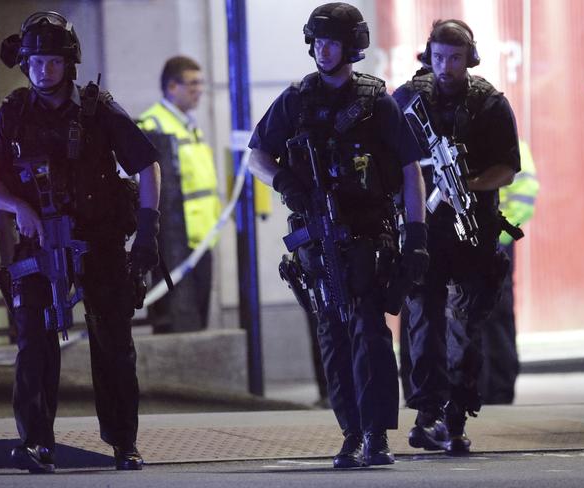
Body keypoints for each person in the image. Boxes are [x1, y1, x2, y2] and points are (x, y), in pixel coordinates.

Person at [0, 11, 161, 473]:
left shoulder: (98, 109)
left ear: (69, 64)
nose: (43, 70)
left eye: (53, 61)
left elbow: (146, 164)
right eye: (35, 61)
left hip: (98, 239)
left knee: (113, 341)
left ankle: (123, 443)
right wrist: (20, 208)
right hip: (39, 245)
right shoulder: (13, 113)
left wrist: (148, 228)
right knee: (34, 344)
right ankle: (37, 442)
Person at [249, 2, 427, 468]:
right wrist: (283, 181)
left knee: (369, 332)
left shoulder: (376, 102)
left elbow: (411, 169)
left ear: (352, 47)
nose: (322, 49)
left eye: (331, 42)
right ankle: (350, 432)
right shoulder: (296, 99)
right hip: (317, 238)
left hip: (368, 233)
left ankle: (376, 434)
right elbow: (257, 156)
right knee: (332, 335)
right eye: (317, 40)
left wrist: (417, 233)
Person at [393, 19, 520, 455]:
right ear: (429, 56)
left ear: (470, 59)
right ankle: (426, 413)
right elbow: (389, 159)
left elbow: (508, 166)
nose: (446, 67)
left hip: (473, 228)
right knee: (422, 321)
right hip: (424, 230)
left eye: (456, 59)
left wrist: (468, 185)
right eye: (440, 57)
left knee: (466, 323)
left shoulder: (489, 104)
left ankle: (456, 416)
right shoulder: (408, 99)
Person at [138, 56, 220, 332]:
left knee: (199, 317)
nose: (199, 89)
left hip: (201, 238)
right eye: (192, 83)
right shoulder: (153, 125)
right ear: (172, 87)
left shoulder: (189, 124)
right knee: (178, 318)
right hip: (174, 240)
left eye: (201, 83)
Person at [479, 140, 538, 404]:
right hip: (473, 237)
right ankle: (480, 387)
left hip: (496, 239)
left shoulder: (509, 139)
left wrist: (500, 235)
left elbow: (525, 194)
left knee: (497, 314)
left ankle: (499, 389)